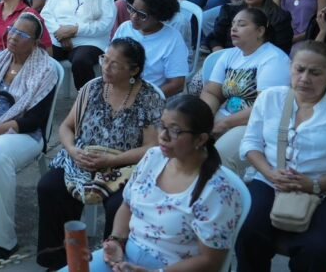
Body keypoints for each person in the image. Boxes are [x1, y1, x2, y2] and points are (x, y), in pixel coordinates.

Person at [36, 37, 164, 269]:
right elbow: (66, 127)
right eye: (105, 59)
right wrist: (73, 151)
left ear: (134, 69)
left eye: (115, 64)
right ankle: (58, 260)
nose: (106, 67)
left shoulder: (148, 97)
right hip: (83, 156)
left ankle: (109, 261)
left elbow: (151, 147)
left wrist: (112, 160)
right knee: (49, 187)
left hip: (125, 164)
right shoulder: (92, 88)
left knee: (119, 204)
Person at [79, 95, 241, 272]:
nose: (163, 136)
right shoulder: (154, 157)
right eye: (162, 126)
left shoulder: (217, 192)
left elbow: (210, 261)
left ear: (200, 139)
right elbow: (127, 204)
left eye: (175, 130)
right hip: (125, 261)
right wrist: (117, 240)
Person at [0, 13, 59, 262]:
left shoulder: (46, 70)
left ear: (36, 42)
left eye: (22, 34)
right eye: (13, 30)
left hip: (25, 134)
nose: (13, 37)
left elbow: (33, 120)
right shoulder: (0, 58)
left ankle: (3, 241)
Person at [235, 40, 326, 271]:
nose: (304, 79)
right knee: (248, 232)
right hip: (270, 179)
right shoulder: (271, 97)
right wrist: (270, 173)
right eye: (299, 70)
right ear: (290, 69)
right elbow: (251, 143)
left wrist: (315, 184)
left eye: (315, 72)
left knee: (316, 249)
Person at [200, 6, 290, 175]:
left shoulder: (274, 59)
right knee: (187, 138)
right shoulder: (229, 55)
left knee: (219, 157)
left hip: (255, 124)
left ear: (260, 31)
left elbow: (264, 108)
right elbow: (212, 92)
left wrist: (224, 124)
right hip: (224, 116)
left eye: (241, 24)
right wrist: (205, 117)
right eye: (233, 24)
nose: (233, 28)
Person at [42, 0, 117, 90]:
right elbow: (46, 14)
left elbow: (105, 25)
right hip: (58, 37)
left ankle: (86, 99)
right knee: (39, 54)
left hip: (89, 41)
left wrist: (75, 30)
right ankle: (41, 95)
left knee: (81, 61)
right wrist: (59, 32)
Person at [113, 0, 187, 96]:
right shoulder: (125, 28)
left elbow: (177, 83)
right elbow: (111, 60)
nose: (133, 16)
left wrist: (146, 98)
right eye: (131, 9)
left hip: (151, 95)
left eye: (141, 15)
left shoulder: (173, 39)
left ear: (158, 16)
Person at [206, 0, 295, 53]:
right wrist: (220, 55)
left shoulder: (279, 17)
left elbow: (282, 49)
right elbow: (215, 38)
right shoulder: (229, 10)